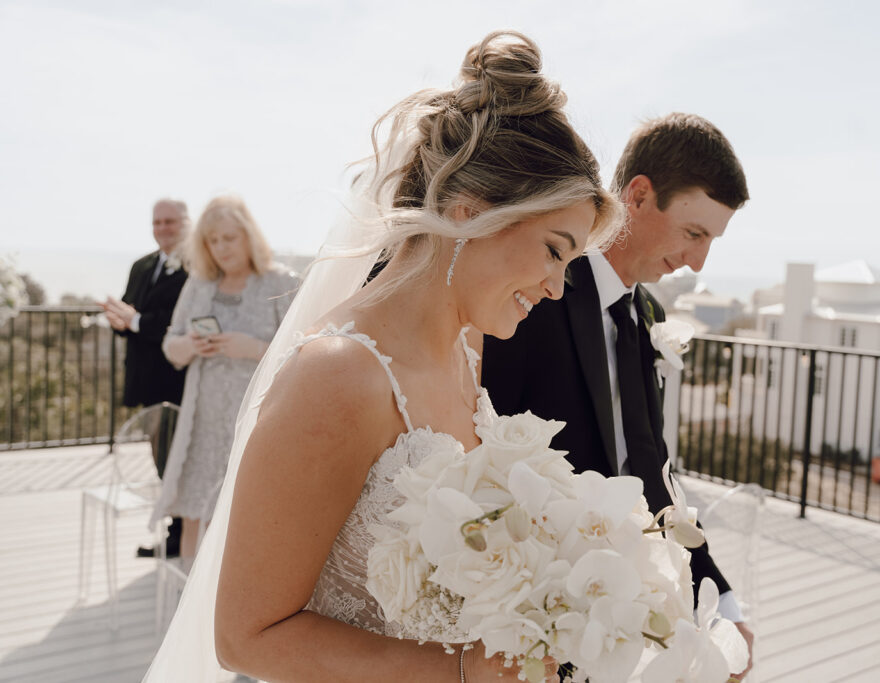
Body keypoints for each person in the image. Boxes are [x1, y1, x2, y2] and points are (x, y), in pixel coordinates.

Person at [144, 31, 623, 682]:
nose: (554, 286)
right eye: (553, 249)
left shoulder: (463, 349)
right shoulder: (339, 373)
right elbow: (244, 636)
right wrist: (460, 670)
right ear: (468, 212)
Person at [481, 113, 755, 679]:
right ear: (638, 194)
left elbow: (650, 468)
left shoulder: (644, 316)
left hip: (621, 612)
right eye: (694, 233)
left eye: (711, 241)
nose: (699, 262)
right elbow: (483, 443)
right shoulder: (537, 290)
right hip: (532, 609)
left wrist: (722, 600)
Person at [151, 195, 299, 566]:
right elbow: (171, 347)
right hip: (202, 424)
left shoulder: (281, 282)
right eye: (213, 241)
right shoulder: (198, 285)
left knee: (244, 520)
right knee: (193, 515)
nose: (221, 249)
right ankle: (187, 616)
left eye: (229, 238)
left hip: (255, 422)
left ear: (248, 235)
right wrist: (189, 344)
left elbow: (308, 352)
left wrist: (255, 348)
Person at [103, 198, 190, 558]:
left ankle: (180, 534)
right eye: (157, 222)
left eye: (170, 222)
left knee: (177, 459)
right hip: (145, 381)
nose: (162, 228)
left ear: (186, 223)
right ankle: (176, 528)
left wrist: (135, 321)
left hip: (177, 381)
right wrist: (119, 321)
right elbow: (130, 314)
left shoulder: (195, 268)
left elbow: (175, 325)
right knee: (160, 459)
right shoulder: (141, 266)